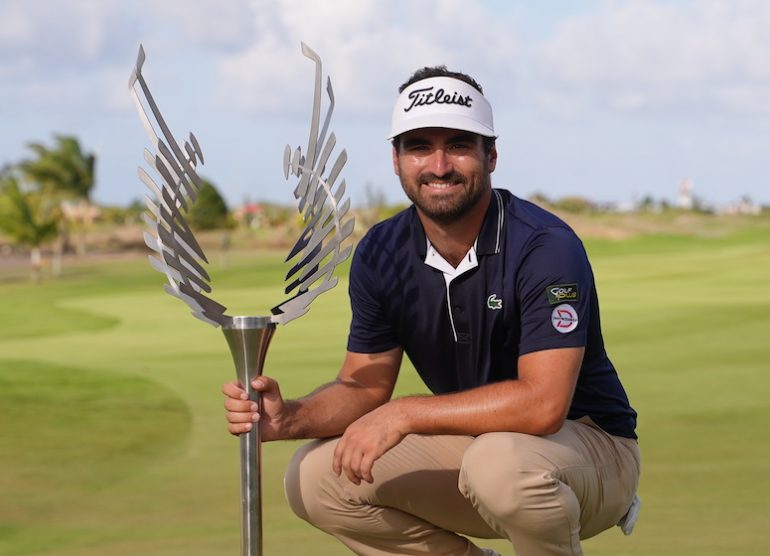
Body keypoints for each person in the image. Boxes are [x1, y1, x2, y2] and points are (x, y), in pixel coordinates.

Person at [223, 66, 640, 556]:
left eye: (459, 145)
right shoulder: (381, 250)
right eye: (419, 145)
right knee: (316, 477)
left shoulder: (544, 246)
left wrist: (407, 413)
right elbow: (364, 385)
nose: (439, 165)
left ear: (492, 155)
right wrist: (291, 417)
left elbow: (544, 404)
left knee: (498, 464)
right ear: (396, 160)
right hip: (482, 448)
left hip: (592, 452)